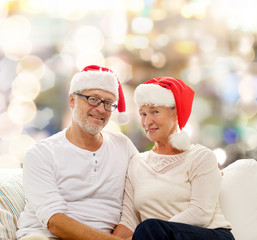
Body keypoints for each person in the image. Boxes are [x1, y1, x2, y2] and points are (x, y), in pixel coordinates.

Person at [16, 65, 138, 240]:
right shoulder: (40, 153)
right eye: (93, 99)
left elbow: (133, 204)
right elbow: (55, 222)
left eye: (108, 103)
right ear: (72, 100)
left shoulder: (123, 146)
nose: (101, 109)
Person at [113, 77, 235, 240]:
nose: (147, 121)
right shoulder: (136, 163)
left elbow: (200, 214)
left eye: (155, 112)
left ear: (175, 113)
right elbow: (128, 222)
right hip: (153, 235)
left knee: (150, 227)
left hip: (210, 234)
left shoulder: (201, 157)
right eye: (143, 114)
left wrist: (155, 233)